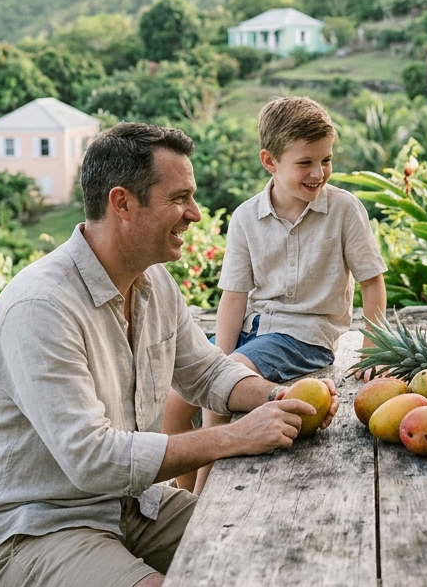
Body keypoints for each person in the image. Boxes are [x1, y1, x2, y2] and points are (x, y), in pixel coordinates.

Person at [0, 122, 338, 587]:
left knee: (268, 553)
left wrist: (275, 399)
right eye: (180, 198)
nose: (196, 214)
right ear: (122, 203)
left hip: (127, 504)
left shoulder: (153, 281)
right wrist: (235, 437)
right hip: (32, 531)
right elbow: (91, 459)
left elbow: (206, 372)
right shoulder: (40, 309)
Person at [164, 96, 386, 492]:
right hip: (253, 332)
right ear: (270, 161)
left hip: (305, 337)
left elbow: (372, 283)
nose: (319, 173)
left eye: (326, 160)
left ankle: (203, 500)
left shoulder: (344, 210)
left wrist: (372, 350)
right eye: (305, 163)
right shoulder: (246, 216)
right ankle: (182, 502)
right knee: (175, 402)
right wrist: (219, 358)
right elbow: (234, 296)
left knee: (224, 389)